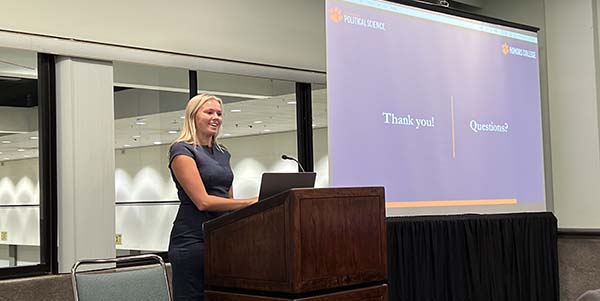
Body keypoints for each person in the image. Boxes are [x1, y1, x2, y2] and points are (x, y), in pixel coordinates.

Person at [167, 93, 257, 300]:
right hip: (192, 241)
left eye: (219, 113)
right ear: (193, 116)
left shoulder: (222, 152)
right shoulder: (182, 150)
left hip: (220, 239)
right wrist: (251, 201)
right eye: (209, 112)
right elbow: (203, 201)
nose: (215, 117)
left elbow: (228, 201)